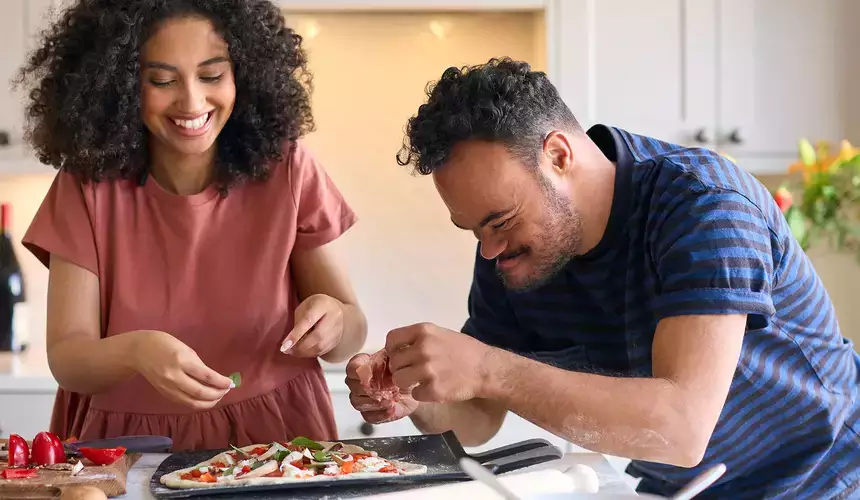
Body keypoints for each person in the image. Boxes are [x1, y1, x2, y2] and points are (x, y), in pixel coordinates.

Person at [346, 58, 860, 499]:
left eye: (500, 221)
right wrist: (418, 395)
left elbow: (680, 428)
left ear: (558, 155)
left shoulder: (704, 204)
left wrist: (487, 368)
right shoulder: (510, 255)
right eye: (474, 229)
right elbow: (479, 416)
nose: (489, 248)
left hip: (831, 478)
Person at [17, 0, 367, 451]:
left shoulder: (288, 169)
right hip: (127, 447)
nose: (192, 101)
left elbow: (351, 332)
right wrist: (137, 351)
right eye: (162, 80)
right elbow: (68, 356)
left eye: (212, 75)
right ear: (120, 85)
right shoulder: (86, 187)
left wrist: (334, 322)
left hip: (280, 438)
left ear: (243, 73)